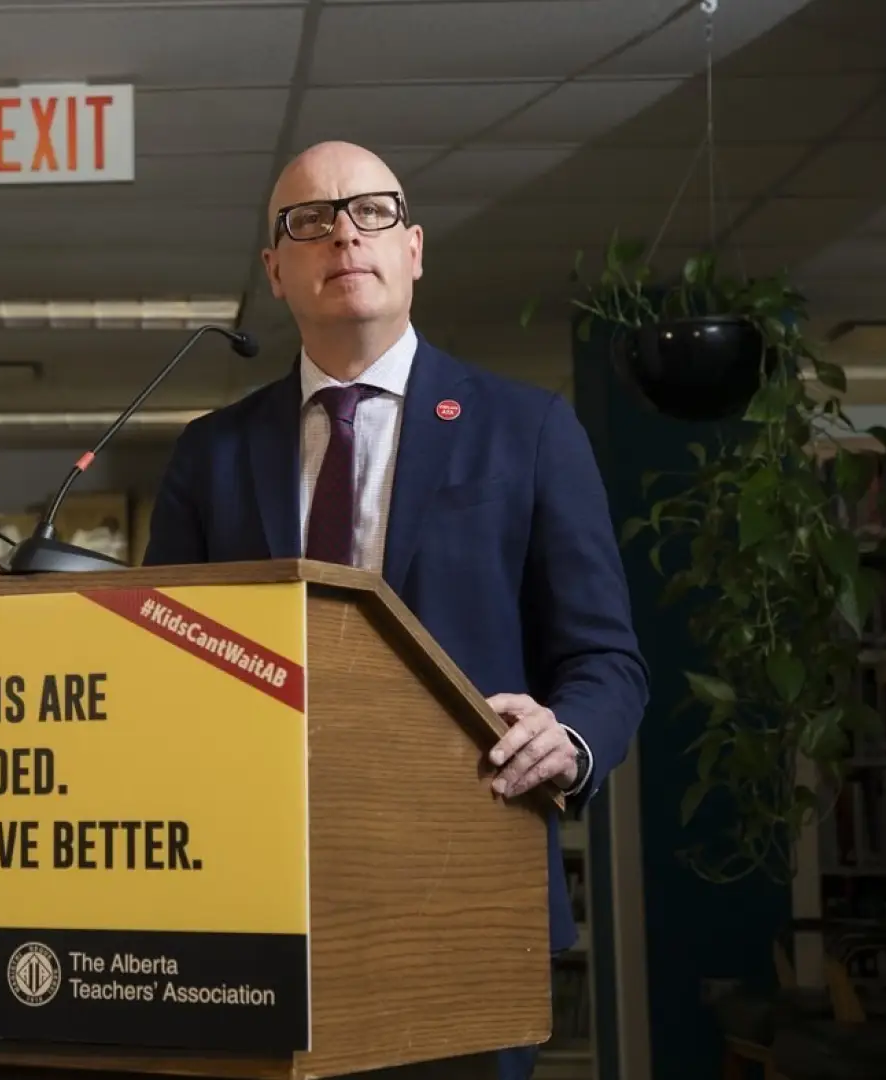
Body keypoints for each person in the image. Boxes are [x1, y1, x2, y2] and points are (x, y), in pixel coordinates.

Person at [141, 141, 649, 1080]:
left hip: (467, 886)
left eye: (371, 212)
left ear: (413, 249)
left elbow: (607, 662)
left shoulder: (529, 429)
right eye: (311, 220)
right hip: (256, 900)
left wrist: (570, 738)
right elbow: (162, 674)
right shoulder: (212, 454)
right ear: (276, 271)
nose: (344, 234)